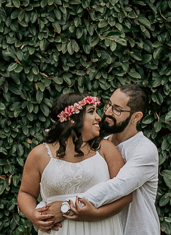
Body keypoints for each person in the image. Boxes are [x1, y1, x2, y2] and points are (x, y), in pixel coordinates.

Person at [18, 93, 134, 235]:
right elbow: (26, 193)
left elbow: (126, 195)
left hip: (101, 228)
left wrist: (94, 215)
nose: (99, 117)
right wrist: (33, 215)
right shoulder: (39, 154)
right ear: (72, 119)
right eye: (92, 112)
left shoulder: (105, 149)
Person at [60, 85, 160, 235]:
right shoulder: (100, 143)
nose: (107, 112)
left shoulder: (144, 149)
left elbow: (119, 186)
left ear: (136, 117)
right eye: (109, 104)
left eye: (117, 109)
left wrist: (70, 205)